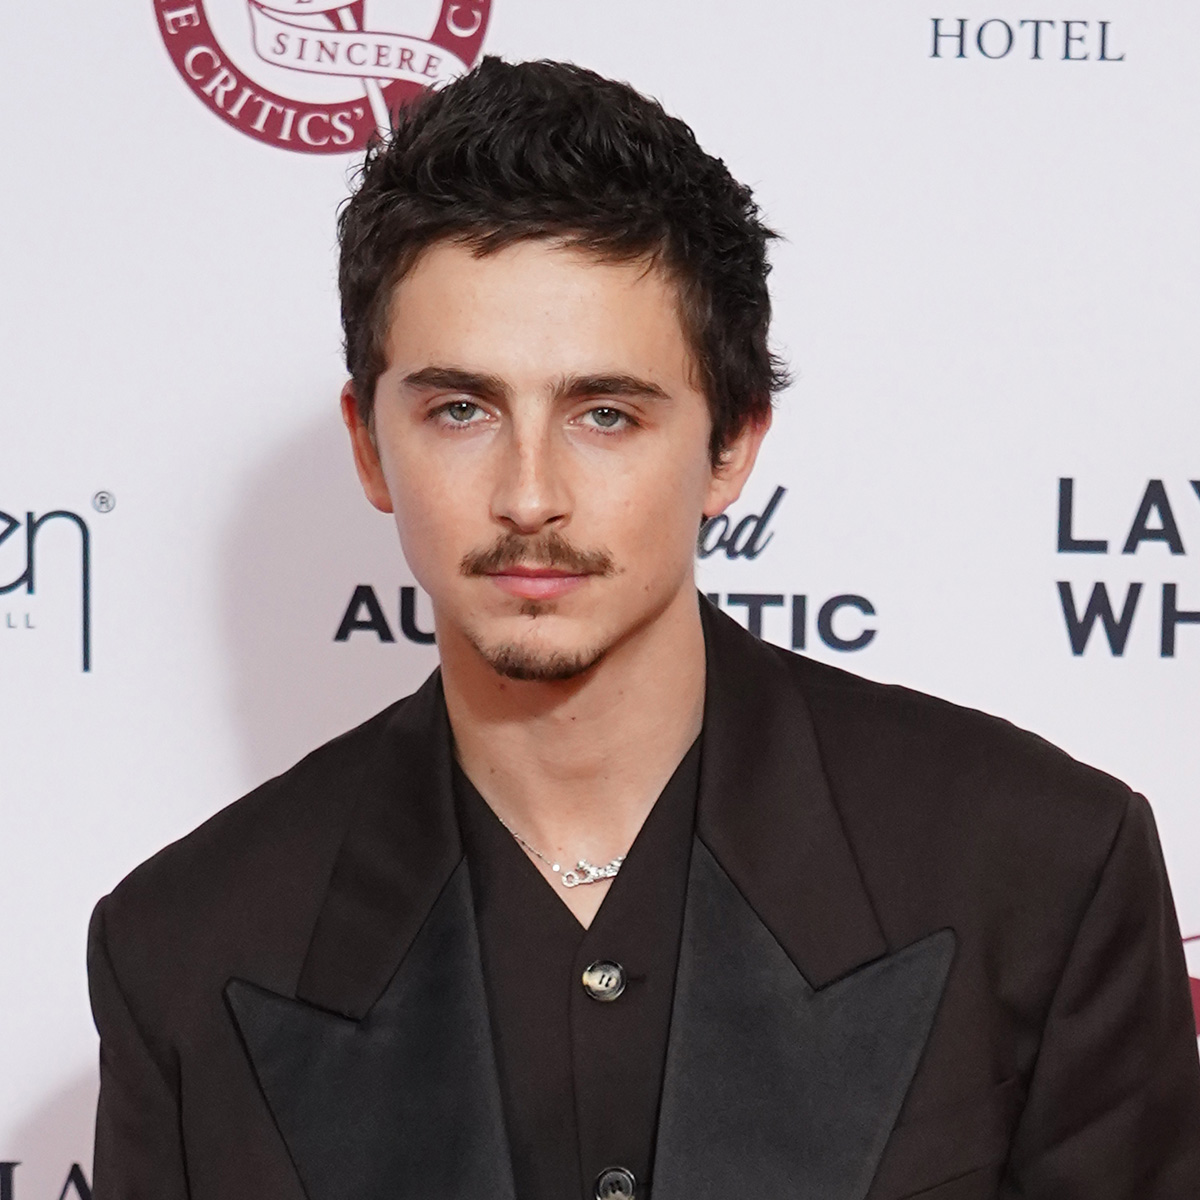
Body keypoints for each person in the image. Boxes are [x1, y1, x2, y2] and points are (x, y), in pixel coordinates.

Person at [87, 57, 1200, 1200]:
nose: (529, 495)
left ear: (732, 447)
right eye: (461, 409)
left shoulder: (1040, 871)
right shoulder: (184, 954)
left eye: (606, 414)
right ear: (370, 446)